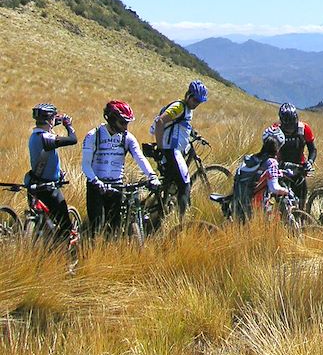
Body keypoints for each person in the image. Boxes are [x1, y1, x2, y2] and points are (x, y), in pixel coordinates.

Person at [82, 101, 161, 234]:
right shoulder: (93, 135)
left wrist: (152, 176)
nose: (126, 127)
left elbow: (139, 157)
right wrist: (96, 182)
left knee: (114, 228)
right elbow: (85, 164)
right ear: (112, 119)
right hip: (96, 186)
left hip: (117, 186)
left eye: (127, 123)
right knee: (96, 228)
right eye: (122, 123)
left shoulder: (128, 138)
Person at [152, 80, 208, 217]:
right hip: (172, 150)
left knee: (170, 183)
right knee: (185, 184)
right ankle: (183, 220)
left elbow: (182, 124)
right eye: (195, 100)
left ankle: (162, 211)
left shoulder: (187, 108)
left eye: (199, 102)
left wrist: (193, 133)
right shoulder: (179, 107)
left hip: (175, 149)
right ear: (188, 95)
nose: (196, 104)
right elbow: (160, 121)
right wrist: (160, 147)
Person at [27, 103, 77, 244]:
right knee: (65, 223)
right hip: (49, 188)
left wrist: (56, 121)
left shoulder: (34, 136)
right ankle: (66, 250)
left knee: (43, 222)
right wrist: (68, 125)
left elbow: (47, 127)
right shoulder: (47, 139)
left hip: (34, 185)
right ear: (50, 120)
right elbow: (73, 139)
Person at [232, 125, 289, 222]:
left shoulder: (251, 158)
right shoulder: (272, 163)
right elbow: (274, 188)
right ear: (279, 147)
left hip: (238, 201)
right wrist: (285, 191)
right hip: (256, 208)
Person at [274, 102, 317, 208]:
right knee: (283, 204)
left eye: (292, 125)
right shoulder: (275, 130)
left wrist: (310, 162)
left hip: (299, 169)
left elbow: (313, 149)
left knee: (302, 199)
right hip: (281, 170)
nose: (290, 129)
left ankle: (302, 218)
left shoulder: (304, 129)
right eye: (287, 126)